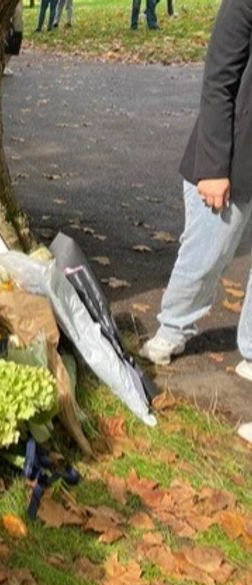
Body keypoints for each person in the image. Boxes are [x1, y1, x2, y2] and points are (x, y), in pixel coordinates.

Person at [139, 0, 252, 386]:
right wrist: (214, 167)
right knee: (206, 252)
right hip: (234, 154)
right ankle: (173, 329)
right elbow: (220, 80)